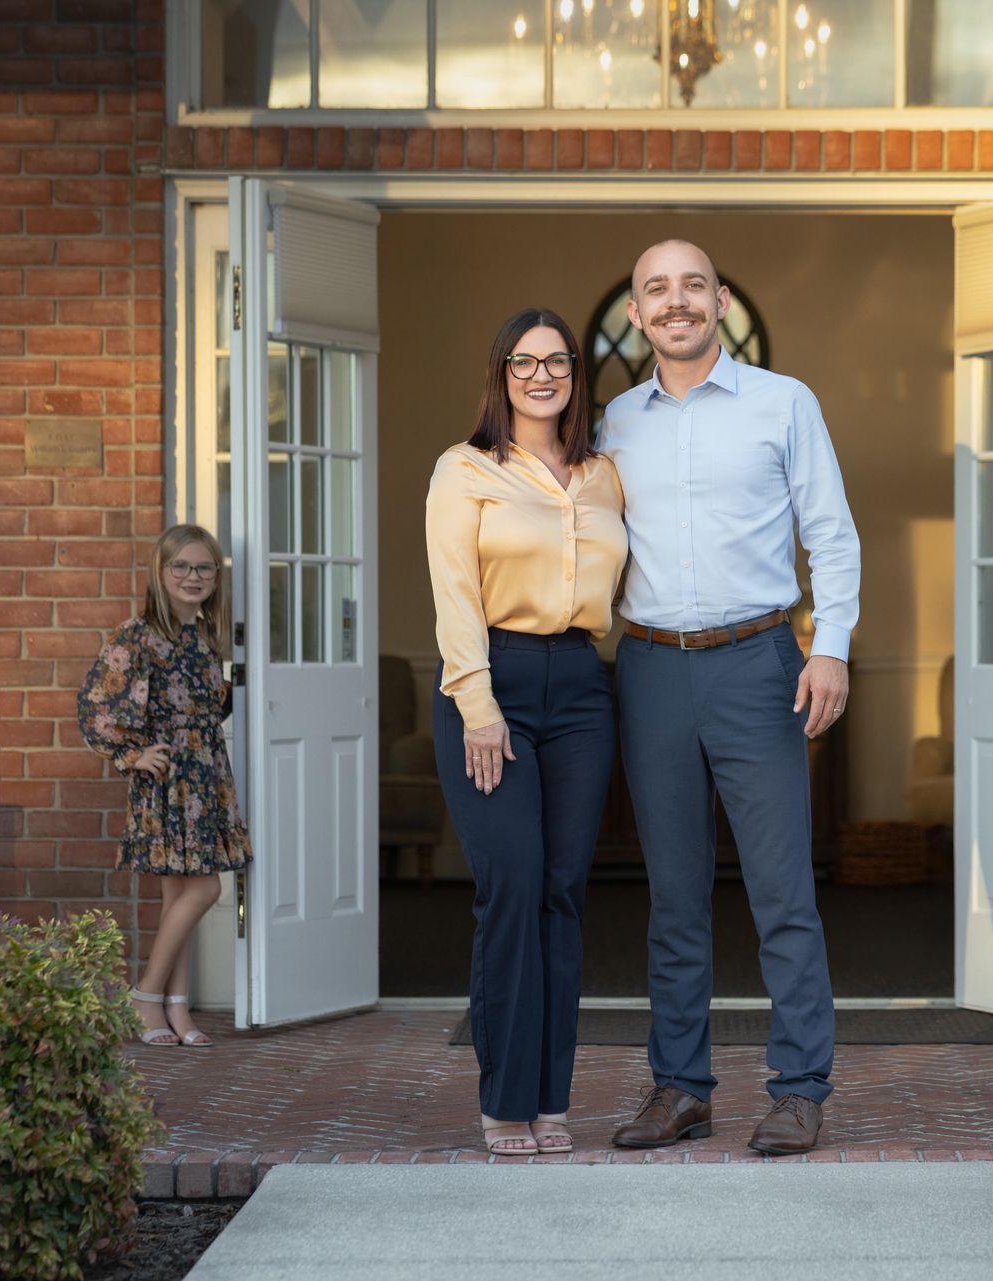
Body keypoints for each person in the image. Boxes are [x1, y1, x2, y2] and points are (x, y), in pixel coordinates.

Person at [600, 240, 861, 1156]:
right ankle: (681, 1087)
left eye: (693, 286)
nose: (677, 303)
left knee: (781, 890)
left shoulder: (783, 403)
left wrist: (827, 649)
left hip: (758, 662)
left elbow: (830, 535)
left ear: (718, 302)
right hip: (650, 668)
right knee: (672, 895)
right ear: (637, 312)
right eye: (656, 290)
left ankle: (798, 1088)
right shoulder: (613, 423)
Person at [425, 307, 628, 1156]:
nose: (541, 376)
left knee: (561, 894)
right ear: (501, 371)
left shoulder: (605, 473)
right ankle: (503, 1097)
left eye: (558, 362)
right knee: (509, 886)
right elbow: (455, 592)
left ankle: (551, 1095)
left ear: (577, 375)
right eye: (524, 361)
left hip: (582, 684)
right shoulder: (465, 469)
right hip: (492, 681)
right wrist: (478, 705)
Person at [79, 523, 251, 1049]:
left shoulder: (204, 638)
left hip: (204, 777)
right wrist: (133, 754)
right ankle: (146, 994)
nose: (193, 576)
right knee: (205, 888)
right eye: (182, 566)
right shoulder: (136, 636)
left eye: (204, 568)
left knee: (181, 890)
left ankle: (175, 1008)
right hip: (166, 779)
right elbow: (94, 708)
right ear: (161, 572)